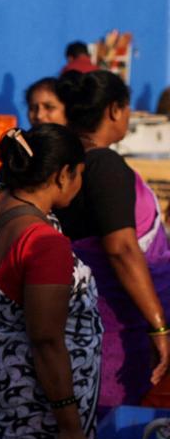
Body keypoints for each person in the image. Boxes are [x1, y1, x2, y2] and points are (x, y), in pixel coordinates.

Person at [0, 125, 100, 439]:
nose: (80, 183)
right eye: (79, 173)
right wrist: (69, 428)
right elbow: (47, 340)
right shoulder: (45, 243)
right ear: (62, 175)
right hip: (41, 409)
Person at [54, 70, 170, 408]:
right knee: (110, 425)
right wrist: (159, 327)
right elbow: (121, 249)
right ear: (115, 110)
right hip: (116, 329)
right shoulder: (104, 165)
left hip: (82, 323)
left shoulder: (65, 163)